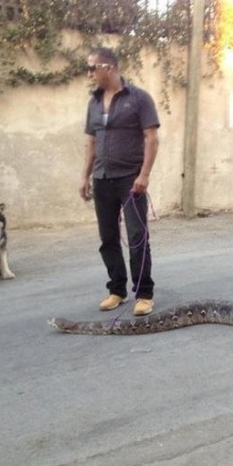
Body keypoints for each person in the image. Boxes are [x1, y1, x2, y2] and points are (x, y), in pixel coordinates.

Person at [80, 47, 160, 316]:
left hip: (130, 179)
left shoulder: (138, 98)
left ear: (109, 68)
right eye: (88, 68)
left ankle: (144, 293)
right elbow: (92, 142)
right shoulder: (93, 102)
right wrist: (84, 176)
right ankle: (117, 289)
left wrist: (144, 174)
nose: (89, 73)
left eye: (93, 67)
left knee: (137, 236)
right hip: (102, 178)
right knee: (108, 238)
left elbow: (151, 138)